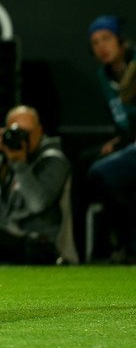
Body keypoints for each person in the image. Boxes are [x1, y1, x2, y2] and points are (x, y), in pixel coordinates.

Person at [0, 105, 78, 265]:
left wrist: (19, 165)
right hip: (8, 239)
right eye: (16, 133)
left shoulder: (54, 160)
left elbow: (37, 204)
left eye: (27, 133)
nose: (22, 139)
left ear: (39, 131)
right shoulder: (5, 157)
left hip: (42, 245)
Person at [85, 15, 136, 262]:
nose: (101, 47)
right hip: (128, 141)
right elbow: (123, 120)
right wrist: (118, 142)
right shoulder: (104, 76)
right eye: (95, 42)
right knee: (90, 167)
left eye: (106, 38)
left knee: (101, 172)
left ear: (121, 41)